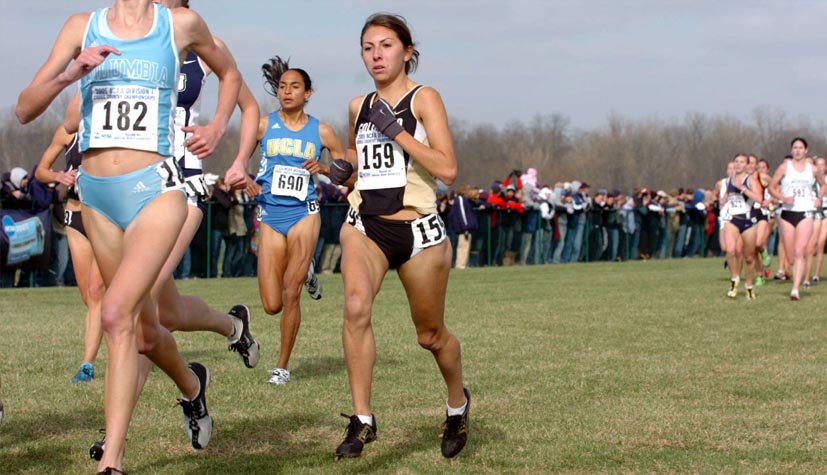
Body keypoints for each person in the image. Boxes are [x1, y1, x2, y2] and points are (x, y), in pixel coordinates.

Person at [16, 2, 242, 474]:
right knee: (143, 332)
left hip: (155, 192)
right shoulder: (82, 26)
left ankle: (112, 463)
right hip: (96, 197)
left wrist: (218, 125)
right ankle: (192, 387)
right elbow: (24, 108)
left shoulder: (178, 24)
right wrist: (70, 73)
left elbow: (230, 75)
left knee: (116, 314)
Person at [329, 13, 469, 459]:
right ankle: (363, 419)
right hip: (365, 224)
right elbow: (357, 158)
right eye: (368, 47)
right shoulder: (359, 105)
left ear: (407, 51)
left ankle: (457, 403)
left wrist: (400, 133)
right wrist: (342, 168)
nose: (376, 55)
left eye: (386, 46)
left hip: (419, 230)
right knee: (354, 307)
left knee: (429, 335)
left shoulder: (425, 98)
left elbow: (447, 169)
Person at [251, 56, 344, 385]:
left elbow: (347, 170)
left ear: (308, 93)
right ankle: (308, 270)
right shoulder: (263, 125)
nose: (287, 91)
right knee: (271, 304)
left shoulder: (321, 130)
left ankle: (282, 366)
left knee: (291, 293)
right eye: (282, 86)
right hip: (270, 214)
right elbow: (239, 164)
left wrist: (325, 169)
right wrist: (244, 179)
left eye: (295, 87)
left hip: (304, 212)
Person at [35, 125, 105, 383]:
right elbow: (40, 171)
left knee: (98, 291)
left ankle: (87, 364)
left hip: (103, 215)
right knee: (89, 297)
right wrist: (59, 176)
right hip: (74, 216)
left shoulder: (110, 127)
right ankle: (124, 328)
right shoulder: (67, 132)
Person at [768, 138, 826, 300]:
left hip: (806, 212)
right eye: (795, 148)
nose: (797, 150)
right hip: (787, 213)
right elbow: (771, 187)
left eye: (801, 148)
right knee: (791, 256)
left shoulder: (813, 169)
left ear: (806, 150)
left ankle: (795, 289)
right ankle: (793, 271)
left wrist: (819, 198)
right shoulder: (784, 167)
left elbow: (823, 185)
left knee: (801, 251)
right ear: (792, 150)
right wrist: (783, 198)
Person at [721, 153, 764, 300]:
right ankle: (734, 279)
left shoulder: (750, 179)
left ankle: (749, 286)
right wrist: (723, 200)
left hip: (748, 221)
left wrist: (743, 189)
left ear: (747, 165)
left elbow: (759, 199)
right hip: (732, 219)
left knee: (749, 257)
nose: (738, 164)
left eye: (742, 162)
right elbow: (728, 194)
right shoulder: (730, 180)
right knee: (730, 250)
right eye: (736, 161)